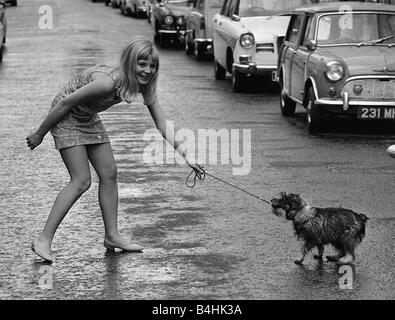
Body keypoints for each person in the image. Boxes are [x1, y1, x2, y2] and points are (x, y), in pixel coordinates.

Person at [26, 35, 204, 263]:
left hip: (87, 116)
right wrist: (40, 133)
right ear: (129, 62)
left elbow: (161, 124)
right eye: (142, 64)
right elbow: (65, 103)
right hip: (65, 116)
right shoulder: (107, 82)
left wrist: (187, 156)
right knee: (81, 180)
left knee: (109, 173)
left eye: (152, 66)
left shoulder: (144, 85)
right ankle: (44, 238)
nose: (147, 70)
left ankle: (112, 236)